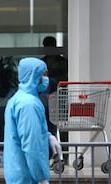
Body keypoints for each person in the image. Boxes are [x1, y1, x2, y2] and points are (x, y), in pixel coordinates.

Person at [3, 57, 62, 184]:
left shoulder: (18, 99)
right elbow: (31, 144)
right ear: (33, 75)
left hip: (20, 175)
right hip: (29, 178)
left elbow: (25, 133)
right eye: (43, 74)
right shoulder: (29, 104)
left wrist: (47, 136)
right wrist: (41, 178)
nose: (46, 78)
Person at [41, 36, 69, 164]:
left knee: (62, 125)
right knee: (49, 125)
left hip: (61, 97)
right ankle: (52, 153)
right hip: (46, 99)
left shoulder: (63, 62)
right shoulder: (42, 63)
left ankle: (64, 152)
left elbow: (67, 78)